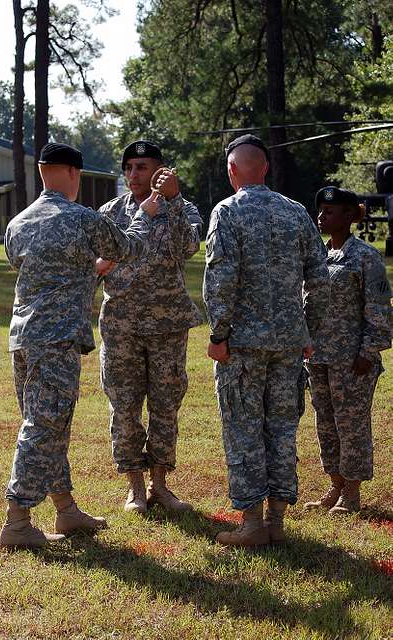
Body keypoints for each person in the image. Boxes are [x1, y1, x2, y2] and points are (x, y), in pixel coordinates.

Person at [0, 142, 159, 550]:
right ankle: (17, 519)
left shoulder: (18, 223)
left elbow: (39, 268)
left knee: (49, 424)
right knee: (44, 426)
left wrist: (88, 272)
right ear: (75, 174)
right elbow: (131, 247)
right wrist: (145, 215)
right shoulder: (82, 219)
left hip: (23, 338)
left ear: (41, 172)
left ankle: (66, 509)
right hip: (57, 340)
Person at [203, 134, 330, 547]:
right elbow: (319, 280)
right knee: (281, 428)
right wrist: (307, 330)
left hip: (243, 345)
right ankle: (276, 520)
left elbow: (221, 281)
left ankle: (253, 524)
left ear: (232, 171)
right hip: (289, 344)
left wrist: (218, 334)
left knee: (243, 429)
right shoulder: (295, 212)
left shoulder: (228, 211)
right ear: (266, 168)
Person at [96, 140, 203, 514]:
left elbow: (187, 247)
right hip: (121, 326)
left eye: (142, 167)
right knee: (124, 407)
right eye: (128, 168)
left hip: (167, 325)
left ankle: (160, 485)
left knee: (165, 407)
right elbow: (95, 263)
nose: (133, 174)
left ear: (162, 171)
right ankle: (135, 488)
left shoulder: (183, 209)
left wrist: (171, 204)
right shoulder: (109, 212)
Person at [304, 186, 392, 515]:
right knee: (326, 424)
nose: (322, 217)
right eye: (320, 211)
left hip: (352, 359)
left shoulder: (365, 256)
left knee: (351, 424)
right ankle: (336, 484)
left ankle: (352, 493)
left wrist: (368, 352)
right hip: (319, 357)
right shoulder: (318, 256)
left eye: (329, 212)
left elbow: (380, 307)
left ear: (348, 216)